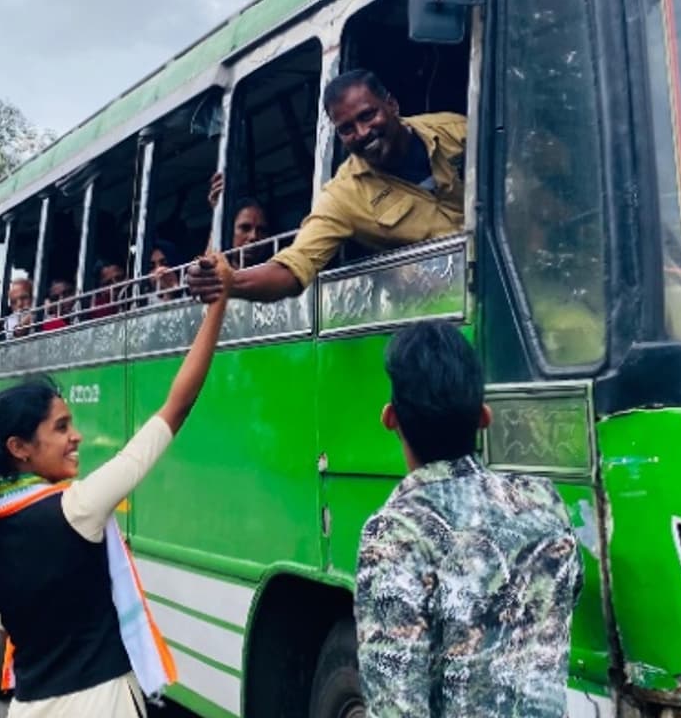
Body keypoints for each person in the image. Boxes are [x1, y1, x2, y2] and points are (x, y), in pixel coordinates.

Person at [0, 254, 234, 717]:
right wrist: (219, 304)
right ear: (20, 447)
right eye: (61, 427)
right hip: (100, 703)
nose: (77, 437)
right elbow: (176, 408)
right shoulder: (77, 509)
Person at [355, 321, 582, 717]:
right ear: (484, 417)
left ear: (391, 419)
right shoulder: (544, 503)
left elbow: (395, 702)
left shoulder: (396, 532)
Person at [187, 70, 466, 303]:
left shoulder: (454, 129)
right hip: (445, 300)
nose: (362, 133)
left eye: (367, 116)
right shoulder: (343, 195)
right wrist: (228, 281)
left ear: (391, 105)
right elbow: (294, 266)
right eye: (346, 129)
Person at [207, 172, 272, 268]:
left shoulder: (274, 274)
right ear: (229, 231)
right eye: (245, 228)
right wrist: (218, 212)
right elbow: (209, 265)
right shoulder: (218, 273)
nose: (253, 237)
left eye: (261, 230)